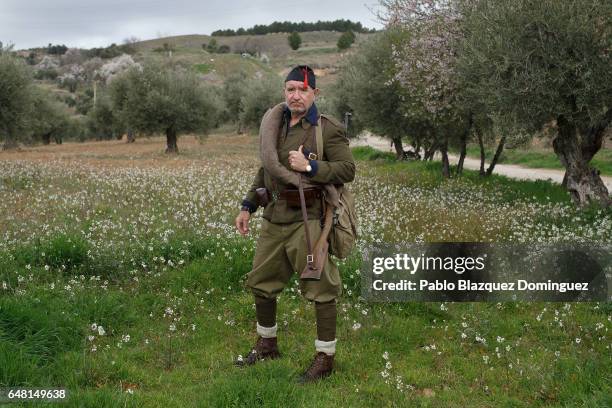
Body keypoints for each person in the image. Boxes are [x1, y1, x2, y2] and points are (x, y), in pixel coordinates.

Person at [234, 65, 355, 383]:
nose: (295, 95)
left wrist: (310, 165)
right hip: (274, 218)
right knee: (261, 282)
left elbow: (346, 169)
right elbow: (267, 170)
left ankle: (325, 358)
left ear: (315, 93)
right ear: (284, 92)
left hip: (309, 221)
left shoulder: (326, 129)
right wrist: (248, 205)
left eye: (302, 90)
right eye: (290, 89)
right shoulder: (276, 125)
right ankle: (267, 344)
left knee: (321, 288)